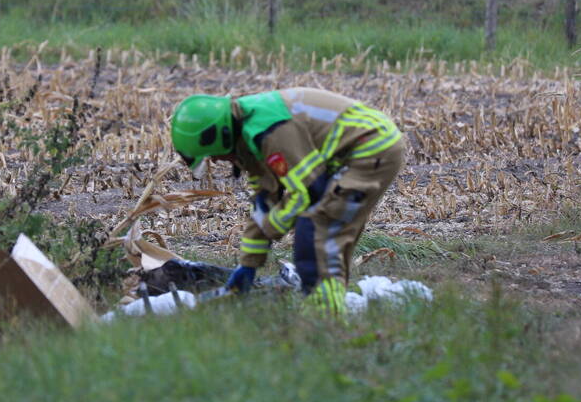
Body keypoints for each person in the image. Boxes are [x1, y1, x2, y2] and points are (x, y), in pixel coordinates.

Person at [170, 87, 405, 315]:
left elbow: (308, 191)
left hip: (371, 147)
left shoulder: (271, 131)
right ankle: (328, 307)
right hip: (355, 152)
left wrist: (274, 226)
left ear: (219, 136)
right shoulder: (250, 135)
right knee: (323, 228)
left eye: (213, 155)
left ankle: (323, 314)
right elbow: (264, 202)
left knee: (317, 227)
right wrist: (248, 264)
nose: (217, 160)